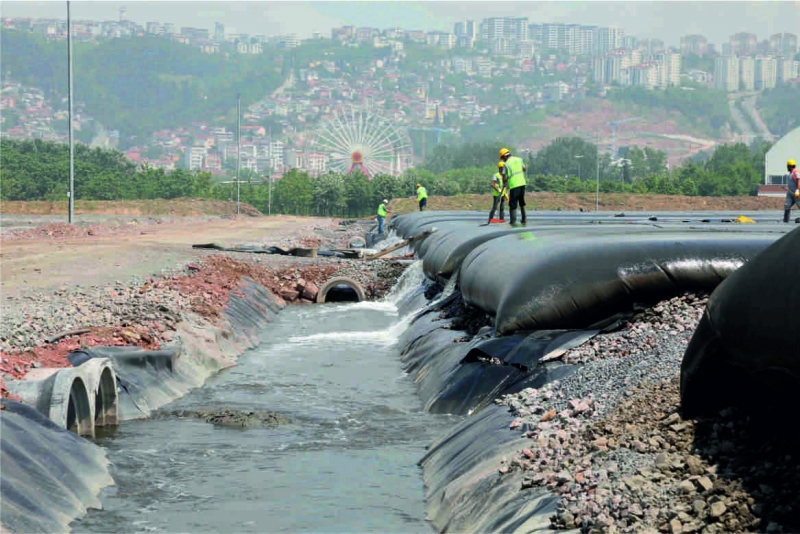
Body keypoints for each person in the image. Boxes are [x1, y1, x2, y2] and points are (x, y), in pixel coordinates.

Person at [499, 147, 528, 226]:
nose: (503, 160)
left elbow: (504, 177)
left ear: (504, 156)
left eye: (502, 159)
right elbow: (524, 169)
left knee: (513, 204)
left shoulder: (506, 164)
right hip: (522, 183)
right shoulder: (519, 159)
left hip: (514, 185)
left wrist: (505, 184)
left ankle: (513, 221)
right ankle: (524, 220)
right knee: (522, 202)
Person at [784, 159, 800, 223]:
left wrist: (797, 190)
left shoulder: (796, 172)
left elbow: (799, 181)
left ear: (790, 166)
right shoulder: (790, 174)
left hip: (797, 194)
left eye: (787, 166)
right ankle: (785, 220)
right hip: (790, 193)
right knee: (787, 205)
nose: (787, 168)